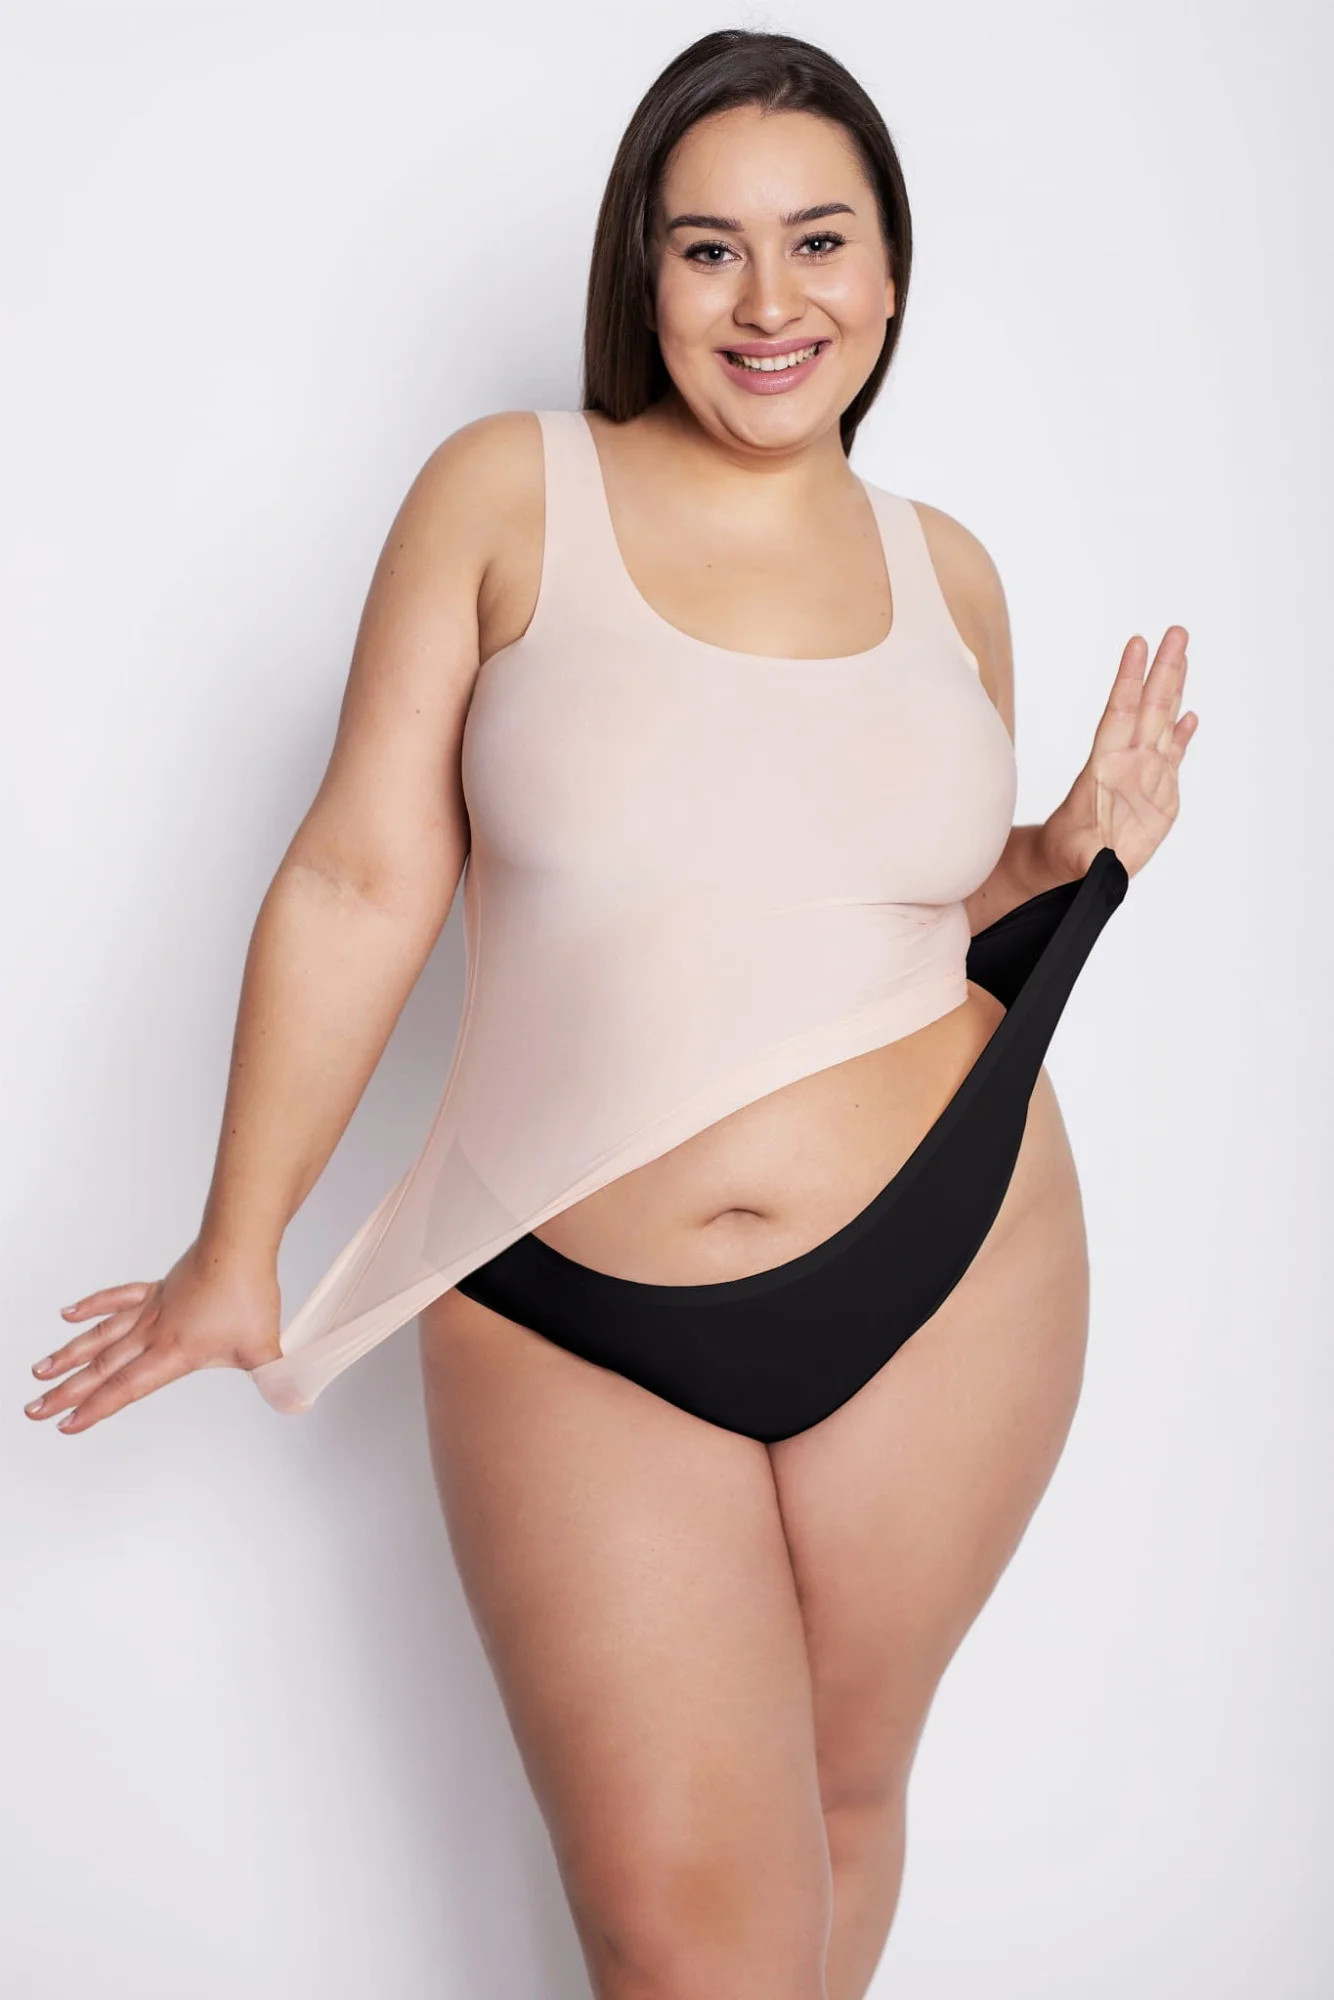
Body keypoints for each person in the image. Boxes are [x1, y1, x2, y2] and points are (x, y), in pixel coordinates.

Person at [26, 29, 1196, 2000]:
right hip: (563, 1297)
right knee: (680, 1940)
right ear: (641, 273)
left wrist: (1056, 854)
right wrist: (238, 1244)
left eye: (818, 241)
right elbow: (361, 875)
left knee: (839, 1799)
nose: (768, 300)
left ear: (889, 273)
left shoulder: (948, 573)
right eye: (708, 247)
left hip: (957, 1263)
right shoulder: (508, 492)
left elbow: (886, 920)